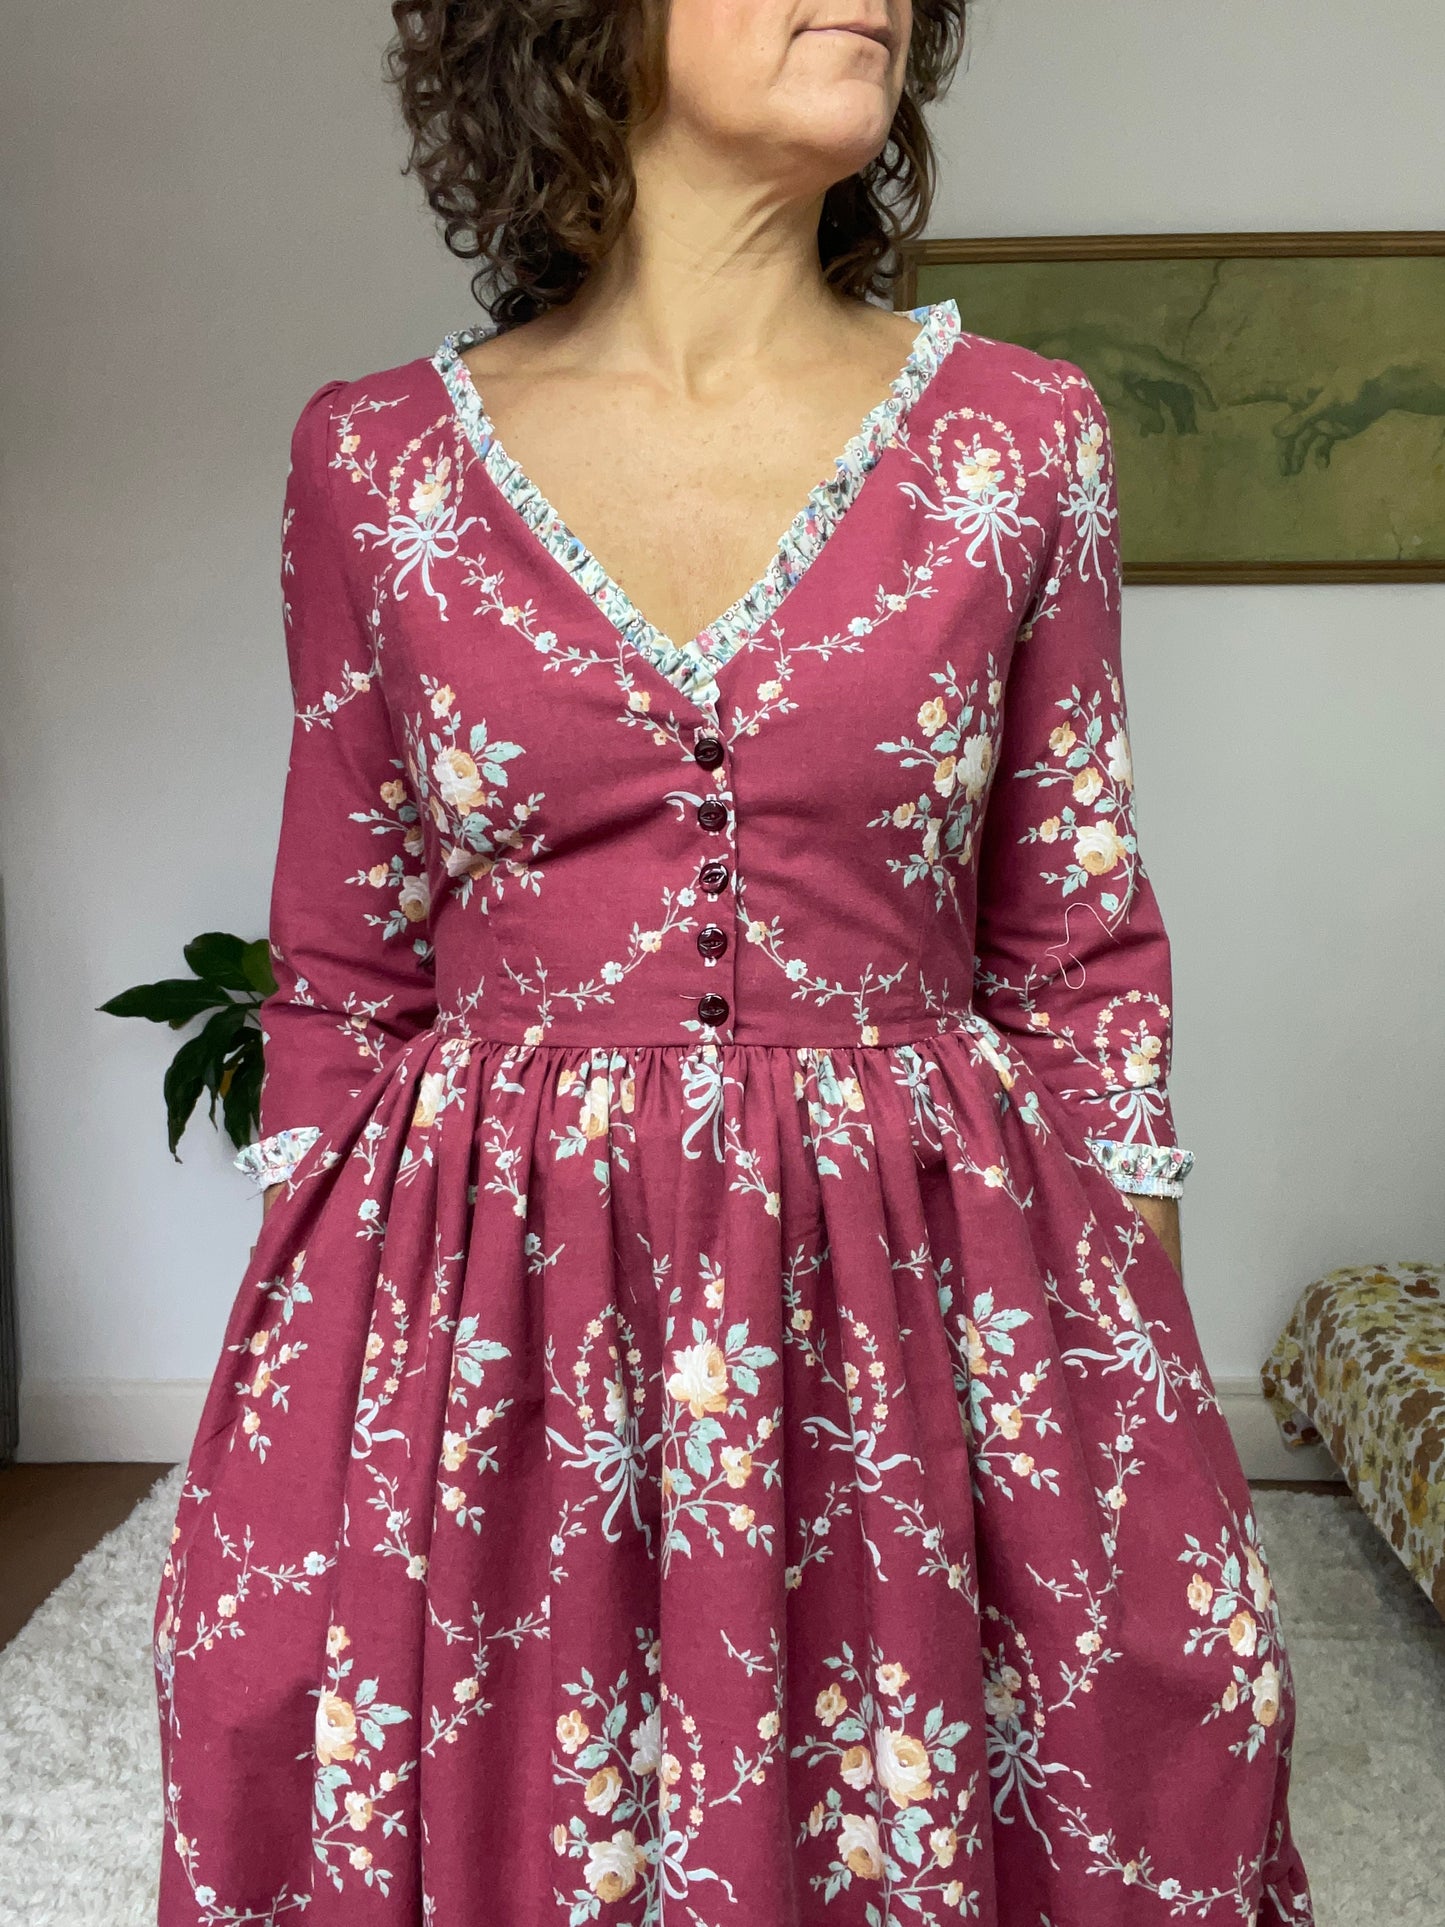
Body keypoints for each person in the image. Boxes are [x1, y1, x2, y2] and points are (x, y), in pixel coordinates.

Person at [152, 3, 1315, 1921]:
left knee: (1047, 1756)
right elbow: (344, 978)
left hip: (924, 1282)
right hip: (503, 1306)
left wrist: (1146, 1416)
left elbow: (1079, 959)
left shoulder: (1023, 438)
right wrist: (304, 1418)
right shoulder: (372, 465)